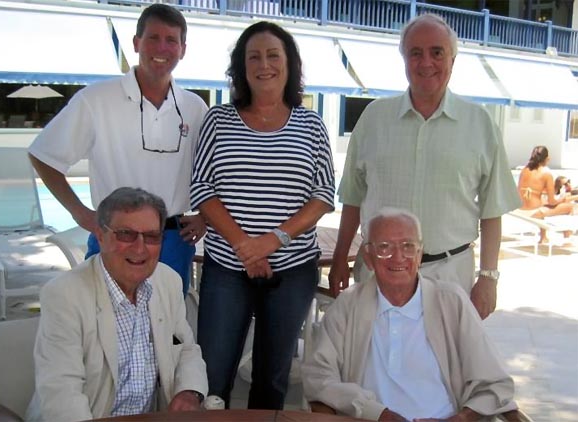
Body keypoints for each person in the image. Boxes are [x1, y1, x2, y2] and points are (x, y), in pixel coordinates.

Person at [329, 13, 520, 319]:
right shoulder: (374, 119)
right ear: (404, 59)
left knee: (445, 365)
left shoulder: (480, 124)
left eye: (437, 52)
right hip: (378, 275)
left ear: (453, 60)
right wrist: (340, 258)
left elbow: (492, 209)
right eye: (415, 53)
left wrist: (488, 277)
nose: (426, 62)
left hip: (450, 276)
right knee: (372, 363)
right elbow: (352, 197)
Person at [190, 21, 335, 409]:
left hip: (292, 268)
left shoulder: (312, 125)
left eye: (274, 55)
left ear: (289, 65)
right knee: (212, 371)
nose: (264, 64)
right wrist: (244, 247)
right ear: (241, 66)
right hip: (226, 266)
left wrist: (272, 241)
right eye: (253, 56)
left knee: (272, 377)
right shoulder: (218, 121)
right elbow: (202, 188)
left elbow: (323, 195)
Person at [28, 4, 208, 296]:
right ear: (136, 43)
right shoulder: (96, 99)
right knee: (103, 327)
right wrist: (80, 213)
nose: (162, 47)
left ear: (183, 49)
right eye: (153, 38)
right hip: (115, 238)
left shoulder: (194, 107)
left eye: (171, 40)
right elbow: (43, 156)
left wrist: (204, 216)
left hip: (174, 241)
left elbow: (211, 170)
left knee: (166, 331)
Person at [302, 207, 519, 421]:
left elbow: (495, 383)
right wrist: (378, 414)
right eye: (384, 247)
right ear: (368, 257)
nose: (397, 257)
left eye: (407, 246)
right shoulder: (348, 305)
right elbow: (319, 376)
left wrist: (460, 419)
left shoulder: (452, 301)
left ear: (419, 254)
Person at [26, 187, 207, 421]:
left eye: (152, 236)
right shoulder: (64, 294)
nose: (140, 248)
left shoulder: (167, 281)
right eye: (126, 234)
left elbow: (186, 349)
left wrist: (189, 391)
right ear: (100, 236)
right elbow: (62, 393)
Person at [517, 146, 575, 242]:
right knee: (570, 207)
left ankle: (543, 237)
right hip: (534, 211)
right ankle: (567, 238)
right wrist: (562, 198)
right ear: (546, 158)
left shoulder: (524, 170)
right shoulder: (546, 173)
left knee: (542, 203)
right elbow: (552, 201)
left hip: (520, 208)